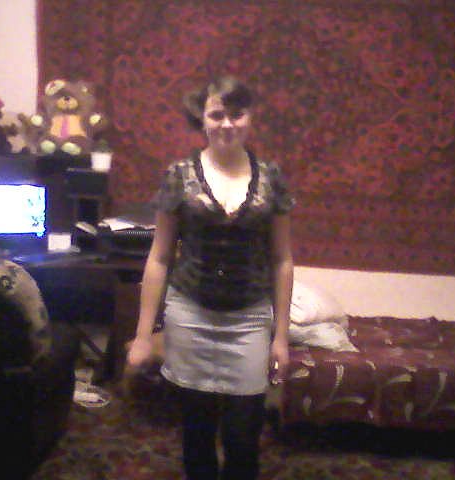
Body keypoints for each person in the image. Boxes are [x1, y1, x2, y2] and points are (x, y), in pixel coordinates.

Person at [126, 75, 294, 480]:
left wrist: (281, 337)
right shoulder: (178, 174)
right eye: (217, 114)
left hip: (250, 319)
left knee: (243, 436)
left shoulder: (272, 177)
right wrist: (144, 335)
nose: (227, 124)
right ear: (202, 119)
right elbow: (160, 258)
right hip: (190, 317)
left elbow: (282, 260)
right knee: (196, 433)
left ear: (250, 118)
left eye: (237, 114)